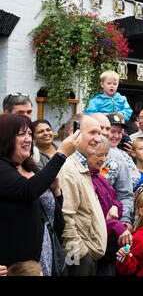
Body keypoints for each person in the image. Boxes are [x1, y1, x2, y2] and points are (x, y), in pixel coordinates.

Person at [0, 114, 78, 271]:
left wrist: (57, 193)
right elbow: (27, 190)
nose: (28, 139)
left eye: (29, 133)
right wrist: (61, 154)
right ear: (5, 138)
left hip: (46, 258)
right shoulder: (2, 169)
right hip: (15, 265)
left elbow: (55, 221)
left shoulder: (33, 169)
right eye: (21, 134)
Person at [58, 115, 107, 276]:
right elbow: (65, 217)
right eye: (92, 133)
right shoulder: (67, 167)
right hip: (79, 259)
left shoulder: (79, 164)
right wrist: (79, 255)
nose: (98, 139)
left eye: (99, 133)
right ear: (74, 133)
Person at [87, 135, 133, 276]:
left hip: (108, 242)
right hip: (95, 246)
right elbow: (91, 220)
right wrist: (117, 226)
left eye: (106, 155)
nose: (103, 159)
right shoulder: (86, 180)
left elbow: (115, 199)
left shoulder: (100, 177)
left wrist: (115, 207)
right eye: (99, 155)